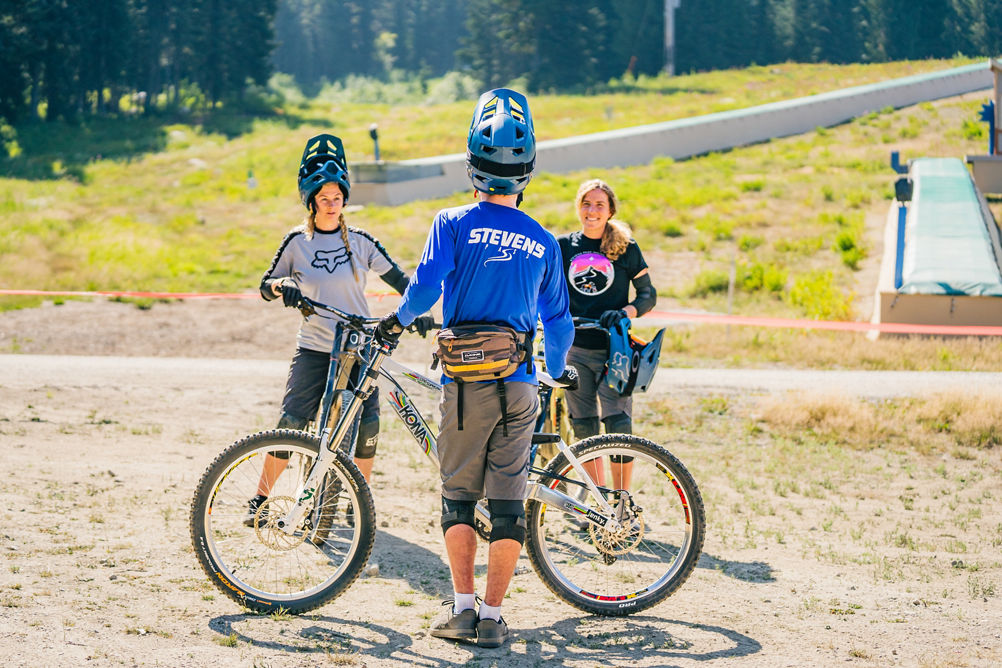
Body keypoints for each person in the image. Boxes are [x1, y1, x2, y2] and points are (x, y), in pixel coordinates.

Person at [376, 89, 575, 648]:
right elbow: (559, 323)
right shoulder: (543, 240)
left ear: (473, 167)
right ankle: (493, 618)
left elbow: (424, 288)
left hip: (465, 387)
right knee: (508, 504)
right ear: (526, 173)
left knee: (458, 498)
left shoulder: (452, 222)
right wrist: (557, 369)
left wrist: (395, 322)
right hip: (520, 384)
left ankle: (462, 610)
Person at [245, 133, 432, 526]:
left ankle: (358, 502)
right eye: (324, 198)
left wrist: (419, 312)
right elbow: (265, 285)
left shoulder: (361, 242)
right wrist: (284, 286)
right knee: (291, 422)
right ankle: (260, 501)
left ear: (344, 200)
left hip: (361, 346)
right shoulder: (297, 242)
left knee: (368, 425)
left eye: (337, 197)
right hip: (315, 346)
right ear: (311, 201)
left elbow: (403, 281)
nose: (331, 204)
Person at [557, 179, 657, 491]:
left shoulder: (626, 247)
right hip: (575, 348)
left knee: (619, 424)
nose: (592, 210)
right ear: (578, 208)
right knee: (583, 426)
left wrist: (625, 312)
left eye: (599, 204)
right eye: (586, 203)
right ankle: (598, 499)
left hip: (616, 350)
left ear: (610, 210)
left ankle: (621, 499)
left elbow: (648, 295)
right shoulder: (563, 247)